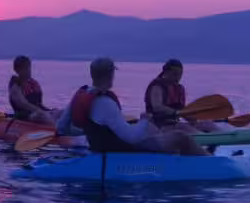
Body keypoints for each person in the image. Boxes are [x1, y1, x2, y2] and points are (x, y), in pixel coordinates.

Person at [58, 57, 204, 155]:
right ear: (111, 75)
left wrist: (89, 132)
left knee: (152, 129)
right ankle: (209, 163)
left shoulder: (80, 95)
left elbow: (61, 128)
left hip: (99, 145)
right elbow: (132, 138)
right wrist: (144, 120)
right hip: (120, 148)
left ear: (92, 74)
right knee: (180, 137)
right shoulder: (106, 103)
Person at [143, 58, 221, 132]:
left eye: (180, 74)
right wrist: (175, 112)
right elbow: (157, 107)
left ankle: (222, 135)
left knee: (207, 124)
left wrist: (192, 118)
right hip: (158, 126)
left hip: (174, 124)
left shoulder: (179, 88)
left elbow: (182, 110)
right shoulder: (157, 86)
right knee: (184, 128)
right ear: (166, 72)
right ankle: (203, 137)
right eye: (175, 74)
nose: (178, 77)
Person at [7, 55, 57, 123]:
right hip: (25, 116)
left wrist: (50, 111)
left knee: (60, 112)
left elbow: (39, 103)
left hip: (39, 112)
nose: (28, 71)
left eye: (28, 67)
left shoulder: (32, 83)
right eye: (24, 68)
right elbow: (23, 103)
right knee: (41, 115)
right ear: (17, 70)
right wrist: (41, 111)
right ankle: (58, 128)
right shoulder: (15, 86)